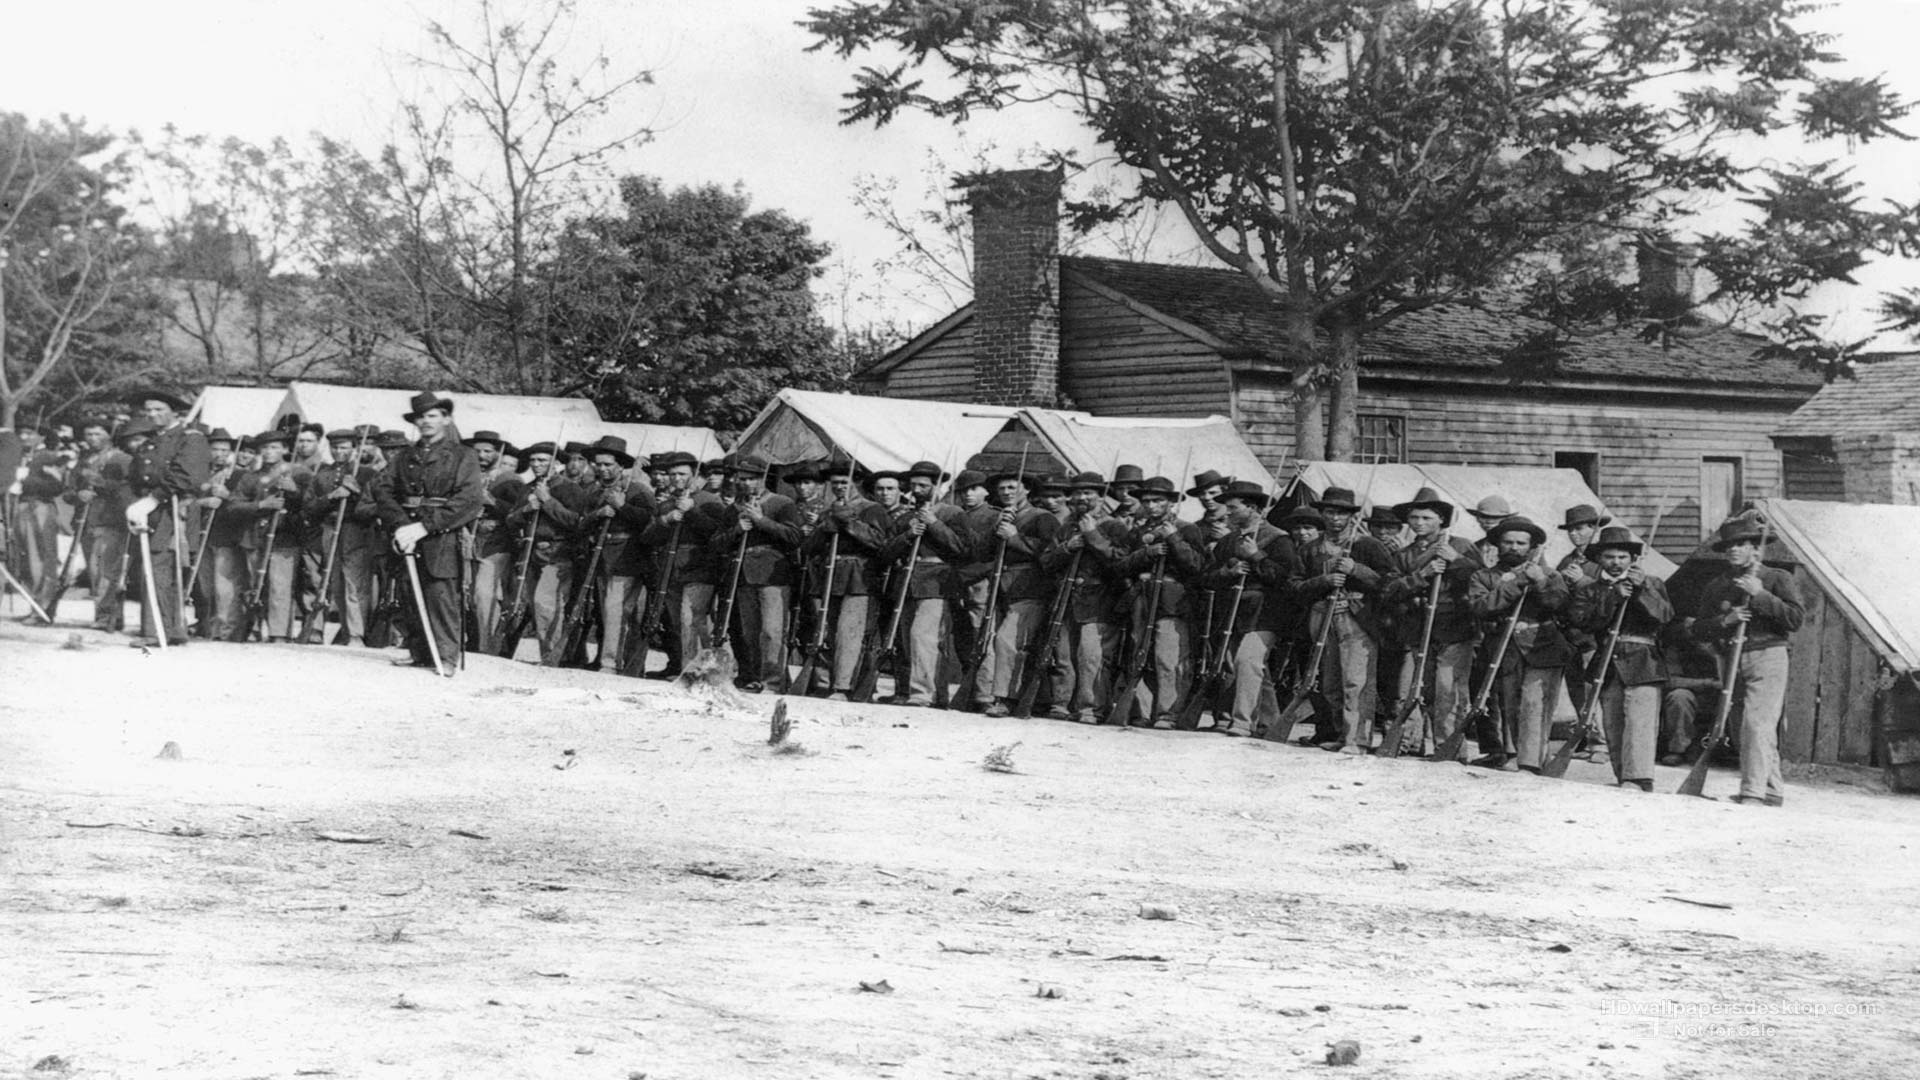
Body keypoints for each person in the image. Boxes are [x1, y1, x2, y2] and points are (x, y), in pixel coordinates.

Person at [1691, 516, 1804, 806]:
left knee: (1757, 725)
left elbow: (1795, 619)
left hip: (1768, 657)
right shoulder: (1717, 585)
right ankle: (1771, 790)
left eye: (1741, 544)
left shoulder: (1778, 578)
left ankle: (1752, 792)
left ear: (1756, 548)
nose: (1733, 550)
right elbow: (1699, 628)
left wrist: (1760, 594)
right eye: (1729, 545)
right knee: (1743, 726)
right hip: (1730, 659)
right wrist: (1724, 620)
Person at [371, 391, 485, 673]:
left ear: (446, 419)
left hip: (440, 536)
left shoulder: (462, 455)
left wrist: (424, 526)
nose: (426, 422)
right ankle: (419, 650)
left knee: (441, 595)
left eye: (432, 416)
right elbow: (382, 490)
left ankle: (445, 656)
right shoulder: (405, 456)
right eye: (421, 417)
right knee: (410, 592)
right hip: (406, 533)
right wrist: (400, 525)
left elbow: (469, 500)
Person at [1567, 526, 1673, 791]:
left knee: (1640, 722)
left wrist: (1640, 591)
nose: (1616, 563)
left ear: (1632, 560)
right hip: (1607, 663)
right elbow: (1581, 621)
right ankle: (1622, 776)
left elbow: (1665, 617)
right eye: (1610, 557)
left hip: (1644, 661)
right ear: (1600, 560)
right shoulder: (1591, 589)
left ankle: (1639, 778)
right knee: (1613, 724)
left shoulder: (1652, 583)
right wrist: (1614, 597)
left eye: (1622, 558)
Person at [1291, 488, 1396, 752]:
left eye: (1341, 513)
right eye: (1330, 512)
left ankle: (1357, 740)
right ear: (1322, 513)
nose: (1335, 518)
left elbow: (1391, 585)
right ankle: (1340, 735)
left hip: (1357, 618)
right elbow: (1294, 586)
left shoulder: (1368, 546)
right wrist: (1323, 582)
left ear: (1351, 516)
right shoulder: (1311, 549)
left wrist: (1357, 570)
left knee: (1356, 681)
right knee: (1330, 683)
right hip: (1321, 617)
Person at [1379, 488, 1481, 757]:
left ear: (1440, 520)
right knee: (1418, 690)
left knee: (1449, 692)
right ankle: (1412, 742)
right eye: (1414, 518)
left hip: (1454, 629)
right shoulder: (1404, 555)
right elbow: (1389, 590)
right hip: (1417, 629)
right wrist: (1421, 575)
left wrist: (1455, 561)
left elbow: (1481, 580)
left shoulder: (1459, 545)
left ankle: (1449, 749)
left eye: (1426, 518)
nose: (1419, 523)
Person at [1467, 516, 1572, 772]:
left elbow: (1559, 605)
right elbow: (1482, 607)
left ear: (1532, 547)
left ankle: (1530, 763)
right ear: (1497, 545)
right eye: (1508, 542)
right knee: (1510, 704)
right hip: (1504, 648)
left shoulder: (1550, 574)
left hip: (1543, 647)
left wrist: (1540, 582)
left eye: (1521, 543)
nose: (1514, 547)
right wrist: (1517, 583)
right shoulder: (1484, 576)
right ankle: (1519, 755)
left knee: (1534, 703)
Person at [1198, 482, 1298, 736]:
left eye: (1233, 508)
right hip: (1233, 612)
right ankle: (1270, 724)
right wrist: (1227, 572)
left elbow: (1285, 579)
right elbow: (1207, 577)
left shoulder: (1279, 539)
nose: (1227, 513)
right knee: (1246, 668)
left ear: (1252, 508)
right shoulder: (1228, 541)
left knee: (1248, 662)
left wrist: (1256, 556)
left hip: (1265, 614)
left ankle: (1242, 722)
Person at [1112, 476, 1208, 726]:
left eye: (1158, 500)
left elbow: (1197, 567)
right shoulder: (1137, 532)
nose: (1152, 505)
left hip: (1173, 601)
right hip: (1142, 599)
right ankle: (1141, 712)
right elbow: (1120, 566)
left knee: (1169, 657)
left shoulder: (1188, 528)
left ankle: (1169, 713)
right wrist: (1146, 553)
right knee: (1139, 653)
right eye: (1147, 501)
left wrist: (1174, 538)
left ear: (1170, 503)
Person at [1037, 471, 1129, 722]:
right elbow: (1046, 561)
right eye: (1077, 493)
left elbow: (1122, 563)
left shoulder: (1114, 526)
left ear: (1100, 497)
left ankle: (1090, 708)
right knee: (1062, 656)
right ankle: (1061, 704)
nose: (1081, 497)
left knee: (1092, 658)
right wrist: (1067, 548)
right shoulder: (1066, 527)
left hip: (1100, 602)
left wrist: (1093, 537)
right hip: (1066, 599)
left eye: (1088, 493)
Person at [122, 388, 210, 646]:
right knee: (155, 567)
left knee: (160, 567)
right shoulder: (151, 442)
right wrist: (135, 505)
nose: (153, 415)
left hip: (173, 510)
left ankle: (155, 630)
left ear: (174, 411)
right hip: (151, 511)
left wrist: (152, 500)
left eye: (159, 410)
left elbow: (187, 476)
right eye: (148, 411)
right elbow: (136, 478)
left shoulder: (189, 438)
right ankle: (171, 629)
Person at [881, 460, 971, 708]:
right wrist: (908, 534)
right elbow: (886, 553)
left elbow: (961, 548)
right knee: (905, 639)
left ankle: (923, 694)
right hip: (907, 581)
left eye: (923, 485)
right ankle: (920, 693)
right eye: (913, 486)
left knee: (923, 637)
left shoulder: (953, 513)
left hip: (937, 582)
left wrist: (933, 523)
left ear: (936, 485)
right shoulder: (906, 517)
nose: (917, 490)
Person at [976, 466, 1062, 716]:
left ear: (1026, 489)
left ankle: (1005, 698)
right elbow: (984, 552)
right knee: (995, 642)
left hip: (1030, 588)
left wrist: (1014, 537)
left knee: (1010, 642)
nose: (1006, 492)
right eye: (1001, 488)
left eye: (1012, 487)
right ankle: (986, 694)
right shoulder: (1000, 517)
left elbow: (1051, 553)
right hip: (1000, 588)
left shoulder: (1042, 517)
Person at [803, 458, 890, 699]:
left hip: (859, 577)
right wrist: (824, 528)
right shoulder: (826, 511)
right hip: (829, 575)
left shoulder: (872, 509)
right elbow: (809, 548)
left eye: (844, 482)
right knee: (826, 632)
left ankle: (842, 686)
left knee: (849, 634)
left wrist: (849, 523)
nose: (839, 487)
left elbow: (880, 543)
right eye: (834, 483)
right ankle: (824, 683)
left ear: (856, 483)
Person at [724, 459, 803, 692]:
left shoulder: (782, 503)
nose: (746, 483)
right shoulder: (732, 510)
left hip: (773, 575)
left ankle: (773, 682)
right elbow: (717, 543)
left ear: (762, 478)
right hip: (743, 576)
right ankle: (755, 677)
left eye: (751, 478)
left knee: (772, 631)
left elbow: (794, 536)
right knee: (750, 632)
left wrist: (761, 521)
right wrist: (737, 529)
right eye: (742, 478)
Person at [505, 441, 588, 662]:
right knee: (531, 604)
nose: (536, 464)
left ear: (558, 463)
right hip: (530, 553)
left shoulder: (570, 488)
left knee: (547, 604)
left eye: (542, 460)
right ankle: (548, 655)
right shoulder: (526, 488)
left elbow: (576, 522)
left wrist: (548, 501)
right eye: (533, 460)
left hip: (558, 553)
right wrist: (527, 509)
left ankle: (553, 657)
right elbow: (510, 521)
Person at [576, 436, 654, 671]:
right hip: (601, 558)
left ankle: (611, 663)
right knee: (606, 612)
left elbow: (649, 523)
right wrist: (599, 514)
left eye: (608, 464)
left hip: (627, 558)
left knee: (616, 610)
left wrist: (622, 506)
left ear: (620, 465)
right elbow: (581, 523)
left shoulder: (638, 490)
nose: (602, 469)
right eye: (598, 464)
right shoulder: (593, 492)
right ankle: (613, 660)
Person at [66, 418, 134, 630]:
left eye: (98, 434)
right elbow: (68, 490)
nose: (93, 439)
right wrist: (79, 494)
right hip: (85, 522)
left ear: (109, 435)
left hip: (110, 521)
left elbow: (128, 490)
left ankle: (107, 616)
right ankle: (107, 615)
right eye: (89, 435)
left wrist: (101, 484)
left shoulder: (123, 459)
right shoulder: (83, 459)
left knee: (107, 571)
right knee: (95, 572)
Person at [463, 430, 520, 655]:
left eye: (488, 451)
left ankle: (487, 646)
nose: (482, 456)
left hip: (495, 544)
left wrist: (493, 501)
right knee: (467, 594)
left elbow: (519, 513)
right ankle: (472, 641)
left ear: (498, 453)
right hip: (468, 540)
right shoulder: (467, 475)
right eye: (477, 451)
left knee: (484, 594)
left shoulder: (509, 480)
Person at [191, 428, 248, 640]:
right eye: (215, 449)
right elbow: (187, 502)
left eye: (225, 450)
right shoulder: (198, 473)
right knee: (205, 586)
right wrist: (204, 501)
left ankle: (227, 631)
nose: (220, 454)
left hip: (226, 536)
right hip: (201, 534)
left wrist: (228, 495)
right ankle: (207, 626)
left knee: (225, 586)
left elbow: (245, 504)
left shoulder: (239, 475)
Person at [11, 424, 65, 609]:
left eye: (29, 433)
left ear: (42, 437)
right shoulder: (22, 457)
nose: (24, 437)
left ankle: (43, 605)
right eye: (22, 433)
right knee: (26, 556)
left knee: (41, 556)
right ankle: (34, 603)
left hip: (40, 506)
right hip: (22, 506)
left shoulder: (49, 457)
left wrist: (26, 479)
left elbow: (57, 486)